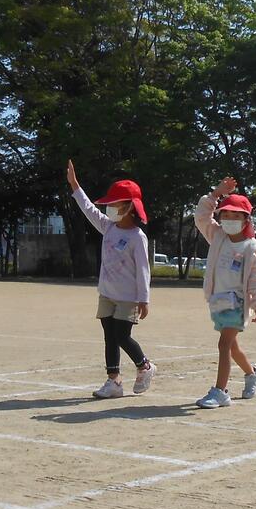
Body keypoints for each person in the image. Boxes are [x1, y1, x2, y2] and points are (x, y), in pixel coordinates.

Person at [66, 160, 156, 399]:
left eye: (116, 204)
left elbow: (144, 270)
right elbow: (88, 209)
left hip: (128, 297)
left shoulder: (138, 237)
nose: (110, 208)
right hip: (107, 293)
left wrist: (143, 299)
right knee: (109, 335)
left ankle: (144, 365)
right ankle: (113, 381)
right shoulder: (108, 227)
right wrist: (75, 186)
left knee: (121, 335)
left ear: (130, 207)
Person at [194, 177, 256, 409]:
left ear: (246, 219)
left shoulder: (253, 248)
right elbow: (202, 217)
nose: (230, 220)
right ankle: (252, 373)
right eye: (226, 215)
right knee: (232, 346)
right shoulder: (218, 237)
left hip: (238, 304)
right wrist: (215, 194)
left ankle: (220, 391)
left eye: (236, 216)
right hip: (218, 301)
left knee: (223, 345)